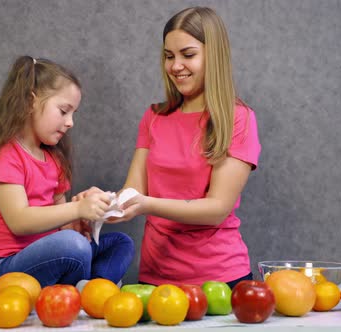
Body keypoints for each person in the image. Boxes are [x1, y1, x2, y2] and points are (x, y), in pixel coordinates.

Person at [109, 7, 261, 289]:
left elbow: (217, 208)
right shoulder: (154, 116)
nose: (175, 66)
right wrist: (98, 206)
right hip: (155, 279)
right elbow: (132, 194)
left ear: (213, 55)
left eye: (188, 55)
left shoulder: (238, 118)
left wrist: (147, 204)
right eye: (169, 56)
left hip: (219, 280)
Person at [0, 56, 134, 288]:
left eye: (73, 114)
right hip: (2, 270)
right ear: (30, 102)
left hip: (52, 257)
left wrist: (79, 219)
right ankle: (86, 285)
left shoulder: (54, 158)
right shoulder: (6, 157)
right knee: (72, 247)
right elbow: (19, 221)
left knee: (120, 242)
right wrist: (75, 209)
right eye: (64, 111)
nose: (70, 123)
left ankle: (93, 289)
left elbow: (62, 225)